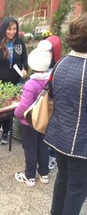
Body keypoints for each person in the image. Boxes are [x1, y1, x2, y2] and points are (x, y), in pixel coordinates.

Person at [44, 12, 87, 214]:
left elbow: (51, 95)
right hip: (81, 142)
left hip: (59, 136)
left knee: (62, 179)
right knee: (77, 189)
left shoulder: (60, 64)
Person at [0, 17, 28, 145]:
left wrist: (24, 69)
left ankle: (6, 131)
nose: (12, 32)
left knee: (10, 110)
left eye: (14, 29)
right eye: (9, 29)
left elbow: (24, 60)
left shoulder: (19, 43)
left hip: (13, 83)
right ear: (4, 28)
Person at [14, 47, 51, 187]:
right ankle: (44, 174)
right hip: (44, 121)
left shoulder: (31, 84)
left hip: (29, 123)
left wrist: (16, 113)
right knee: (42, 146)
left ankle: (29, 176)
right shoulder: (49, 81)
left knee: (30, 148)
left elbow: (24, 107)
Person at [37, 35, 62, 170]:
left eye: (50, 51)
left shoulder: (59, 66)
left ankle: (52, 156)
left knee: (52, 130)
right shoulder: (44, 63)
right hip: (44, 102)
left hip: (53, 103)